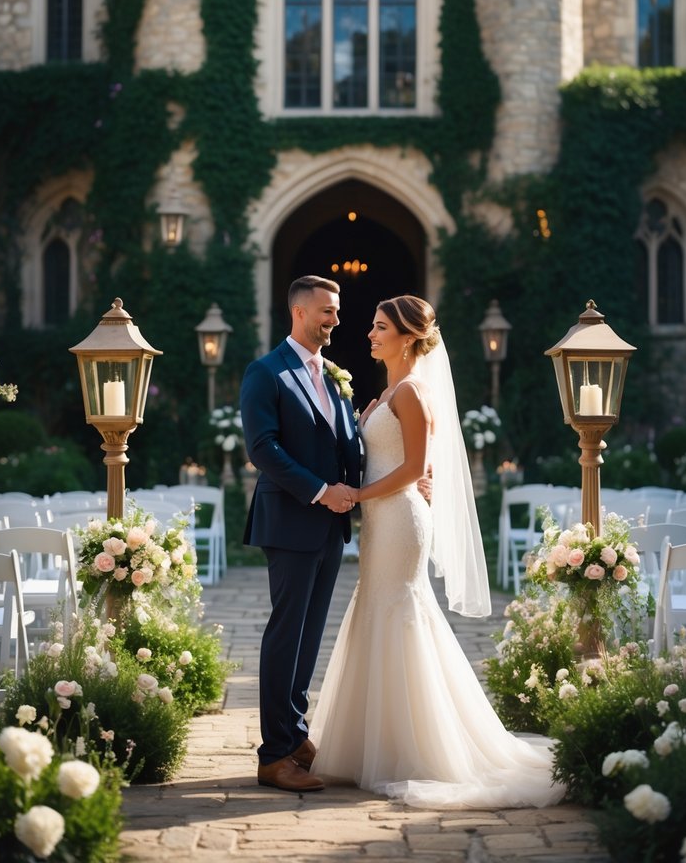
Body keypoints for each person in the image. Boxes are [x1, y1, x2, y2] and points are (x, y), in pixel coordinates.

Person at [309, 294, 563, 810]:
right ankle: (372, 744)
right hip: (382, 519)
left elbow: (411, 470)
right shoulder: (386, 393)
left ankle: (417, 746)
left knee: (400, 609)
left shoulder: (413, 394)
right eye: (373, 326)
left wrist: (357, 495)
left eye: (380, 328)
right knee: (377, 609)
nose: (370, 334)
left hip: (400, 518)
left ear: (408, 337)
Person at [240, 274, 362, 793]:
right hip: (291, 520)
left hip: (331, 526)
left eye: (336, 310)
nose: (335, 319)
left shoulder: (332, 374)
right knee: (285, 636)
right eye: (327, 311)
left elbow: (340, 443)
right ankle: (273, 756)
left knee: (310, 639)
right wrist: (320, 491)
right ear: (299, 313)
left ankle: (294, 735)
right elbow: (262, 449)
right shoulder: (265, 373)